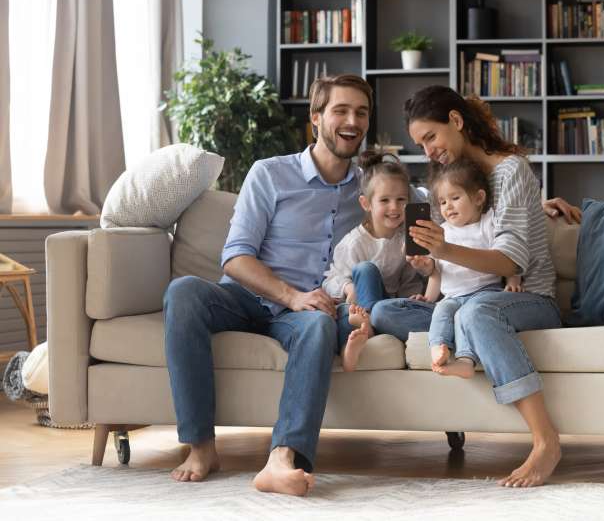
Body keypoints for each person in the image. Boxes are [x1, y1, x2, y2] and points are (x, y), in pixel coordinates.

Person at [163, 74, 376, 497]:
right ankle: (202, 445)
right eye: (341, 110)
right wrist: (291, 296)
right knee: (184, 291)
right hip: (248, 297)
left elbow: (445, 203)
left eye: (362, 112)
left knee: (317, 325)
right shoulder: (270, 174)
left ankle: (283, 459)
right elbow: (236, 257)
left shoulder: (371, 188)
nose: (352, 120)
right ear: (316, 118)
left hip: (311, 312)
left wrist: (539, 203)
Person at [371, 85, 581, 488]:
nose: (428, 151)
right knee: (385, 311)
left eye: (431, 137)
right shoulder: (452, 182)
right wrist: (428, 261)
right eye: (420, 143)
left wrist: (444, 247)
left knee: (477, 311)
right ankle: (460, 341)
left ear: (456, 120)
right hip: (460, 298)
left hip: (524, 298)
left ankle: (546, 441)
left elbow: (510, 261)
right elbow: (471, 229)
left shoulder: (511, 170)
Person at [411, 159, 523, 379]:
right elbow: (438, 273)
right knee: (441, 312)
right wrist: (428, 296)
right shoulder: (442, 231)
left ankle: (465, 361)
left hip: (485, 292)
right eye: (442, 202)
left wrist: (513, 280)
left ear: (478, 198)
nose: (448, 206)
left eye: (455, 198)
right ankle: (439, 348)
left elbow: (509, 255)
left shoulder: (488, 223)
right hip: (452, 296)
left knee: (465, 317)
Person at [321, 150, 422, 371]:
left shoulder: (406, 241)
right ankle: (358, 337)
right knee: (365, 272)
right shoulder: (355, 242)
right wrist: (348, 287)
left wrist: (412, 298)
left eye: (401, 200)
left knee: (390, 309)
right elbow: (329, 280)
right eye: (384, 200)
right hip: (357, 308)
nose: (394, 208)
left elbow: (408, 282)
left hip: (385, 310)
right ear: (366, 203)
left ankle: (371, 327)